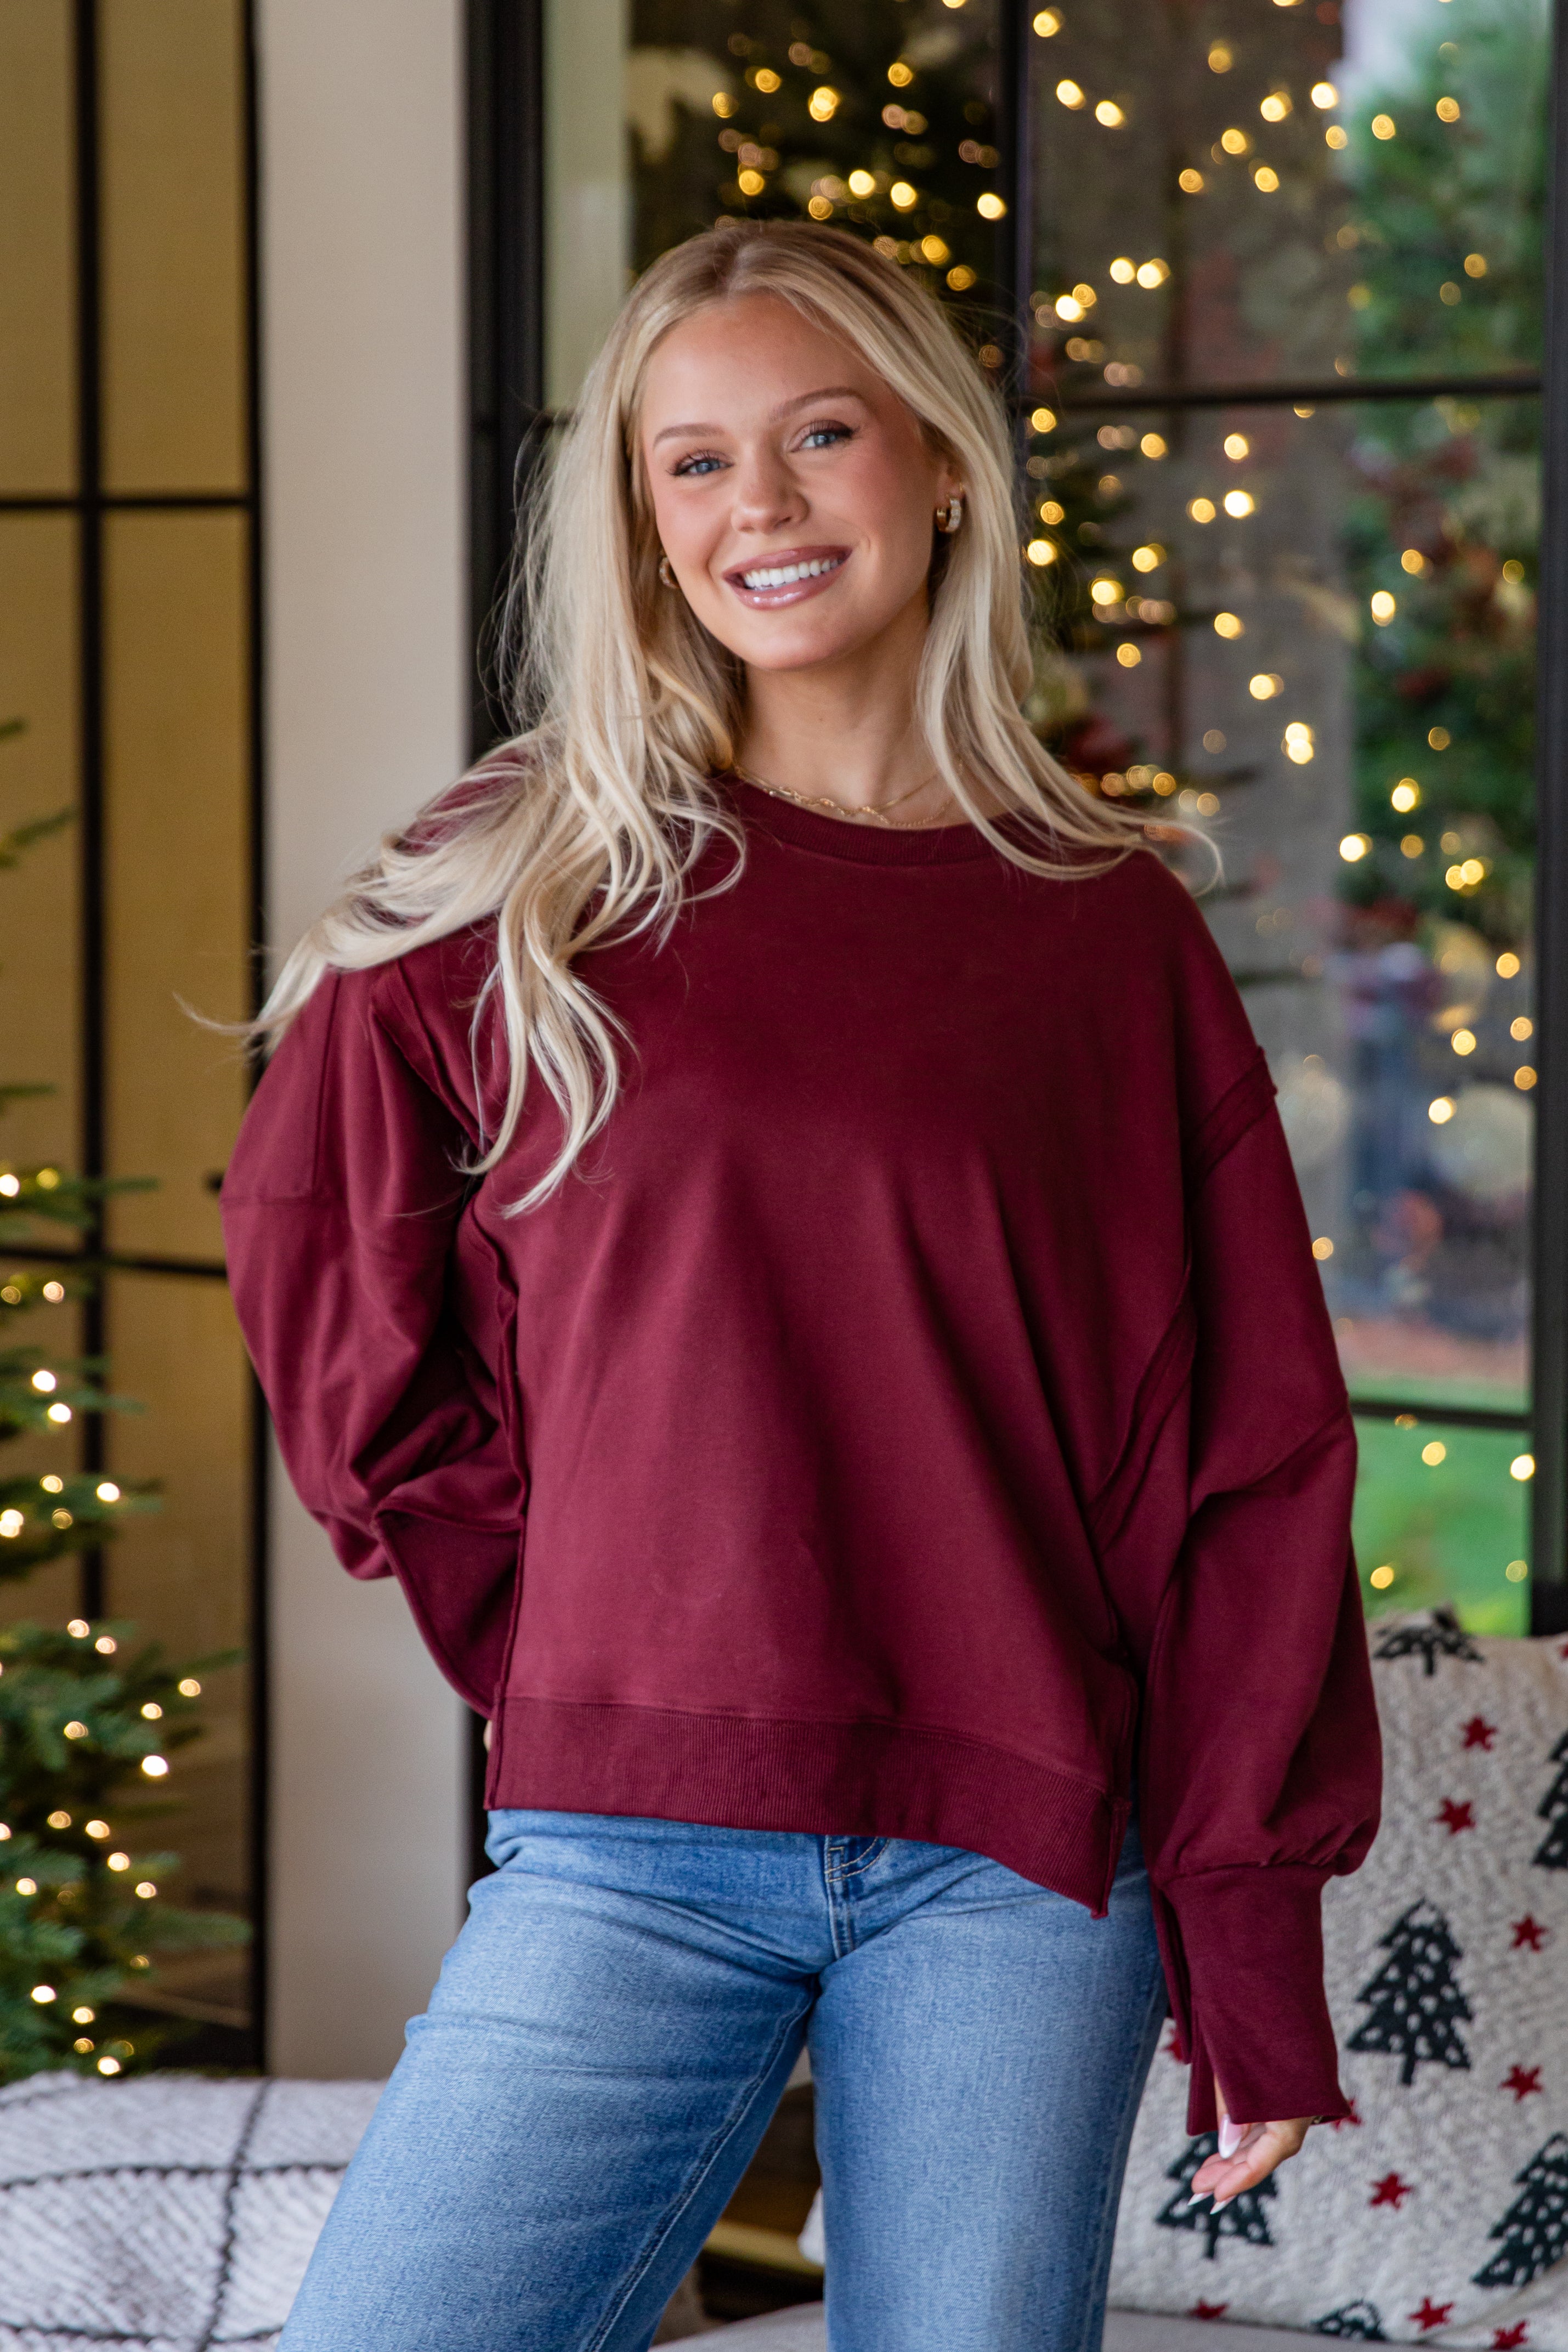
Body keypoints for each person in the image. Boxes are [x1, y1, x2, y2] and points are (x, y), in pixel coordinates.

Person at [224, 221, 1381, 2352]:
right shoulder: (525, 875)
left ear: (938, 464)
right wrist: (572, 1629)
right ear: (641, 527)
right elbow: (327, 1276)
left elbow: (1244, 1462)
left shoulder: (1101, 937)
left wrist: (1246, 1929)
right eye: (689, 464)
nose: (755, 505)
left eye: (816, 433)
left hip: (1022, 1867)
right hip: (625, 1847)